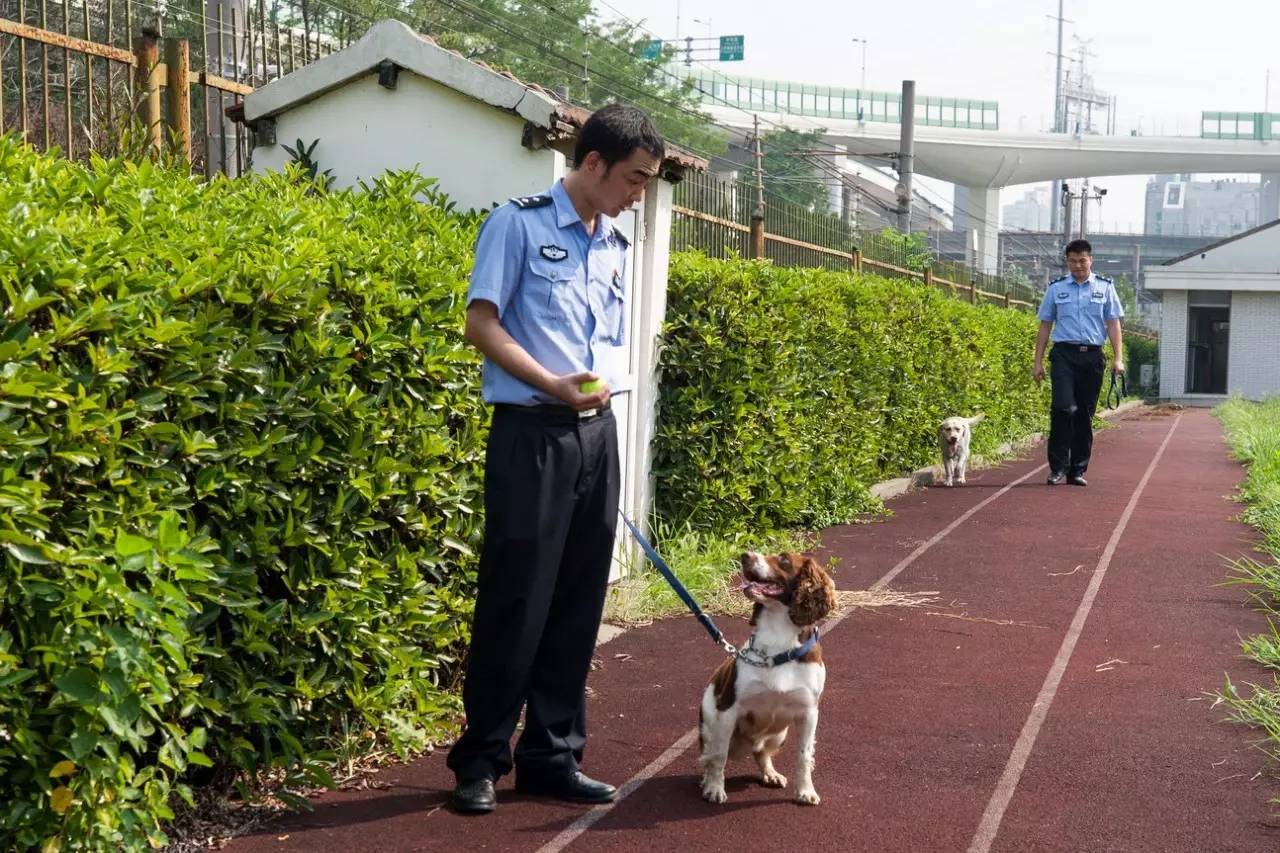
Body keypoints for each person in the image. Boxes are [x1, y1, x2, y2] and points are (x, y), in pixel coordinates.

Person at [446, 103, 664, 815]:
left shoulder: (615, 244)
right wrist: (551, 385)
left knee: (577, 597)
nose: (639, 195)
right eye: (634, 179)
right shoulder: (518, 222)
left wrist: (590, 402)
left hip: (595, 433)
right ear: (593, 162)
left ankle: (552, 755)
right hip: (531, 431)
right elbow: (482, 323)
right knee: (516, 597)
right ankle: (479, 761)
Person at [1033, 238, 1125, 487]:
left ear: (1090, 260)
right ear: (1067, 261)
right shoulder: (1056, 288)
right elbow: (1045, 326)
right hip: (1064, 354)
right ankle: (1057, 468)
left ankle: (1077, 470)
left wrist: (1118, 358)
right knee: (1062, 408)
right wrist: (1037, 362)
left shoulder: (1105, 288)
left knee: (1084, 414)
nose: (1078, 265)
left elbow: (1113, 324)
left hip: (1093, 356)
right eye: (1073, 261)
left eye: (1082, 260)